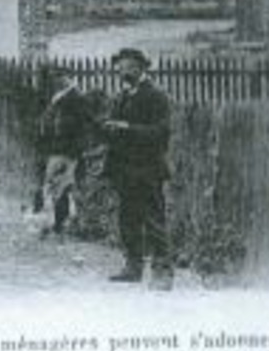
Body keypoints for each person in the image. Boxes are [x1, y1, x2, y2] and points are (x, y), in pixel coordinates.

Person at [102, 47, 173, 288]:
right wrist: (110, 129)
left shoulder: (155, 96)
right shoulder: (121, 96)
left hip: (148, 169)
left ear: (141, 67)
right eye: (120, 67)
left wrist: (127, 128)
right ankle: (133, 266)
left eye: (128, 66)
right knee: (128, 219)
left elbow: (161, 133)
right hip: (124, 170)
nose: (123, 71)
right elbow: (115, 129)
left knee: (153, 219)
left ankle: (163, 272)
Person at [36, 65, 92, 237]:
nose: (58, 80)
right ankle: (54, 222)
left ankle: (61, 224)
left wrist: (76, 151)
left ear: (69, 77)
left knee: (63, 186)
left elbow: (83, 126)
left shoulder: (77, 97)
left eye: (61, 76)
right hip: (54, 147)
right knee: (52, 184)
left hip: (68, 150)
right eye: (55, 77)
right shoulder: (57, 96)